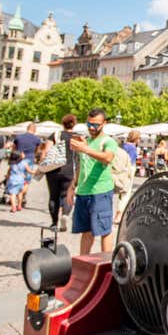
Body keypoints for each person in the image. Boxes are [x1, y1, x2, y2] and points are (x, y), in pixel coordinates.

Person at [67, 108, 118, 255]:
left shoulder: (108, 141)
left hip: (100, 191)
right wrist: (72, 186)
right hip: (83, 191)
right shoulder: (86, 141)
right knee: (86, 230)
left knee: (104, 229)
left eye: (95, 125)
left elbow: (108, 158)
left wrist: (85, 149)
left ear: (104, 124)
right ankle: (83, 263)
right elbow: (81, 167)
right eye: (88, 124)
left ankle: (106, 264)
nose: (91, 128)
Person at [43, 114, 77, 231]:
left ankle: (54, 222)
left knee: (53, 196)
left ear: (63, 123)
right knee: (67, 195)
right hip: (69, 170)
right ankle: (65, 214)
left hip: (54, 170)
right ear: (74, 123)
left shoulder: (55, 135)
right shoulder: (77, 137)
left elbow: (47, 151)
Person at [116, 130, 141, 224]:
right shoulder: (132, 147)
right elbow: (130, 161)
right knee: (126, 191)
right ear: (136, 138)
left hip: (122, 168)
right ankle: (119, 215)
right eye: (139, 138)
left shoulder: (124, 146)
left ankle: (118, 214)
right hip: (129, 169)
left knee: (121, 191)